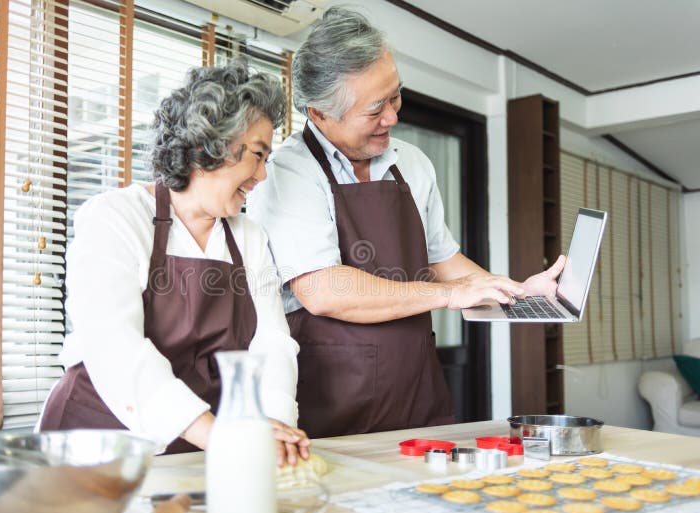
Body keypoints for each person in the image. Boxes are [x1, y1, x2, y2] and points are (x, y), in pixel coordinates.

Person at [247, 7, 565, 438]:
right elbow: (323, 290)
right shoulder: (288, 172)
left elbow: (444, 261)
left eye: (395, 97)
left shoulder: (412, 163)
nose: (393, 118)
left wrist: (519, 295)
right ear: (320, 113)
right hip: (332, 401)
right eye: (375, 108)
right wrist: (449, 295)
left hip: (417, 392)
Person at [39, 61, 310, 465]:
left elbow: (272, 343)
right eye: (257, 155)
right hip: (94, 442)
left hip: (196, 443)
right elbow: (115, 346)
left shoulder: (249, 237)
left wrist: (272, 425)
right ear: (208, 145)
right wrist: (220, 436)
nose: (263, 175)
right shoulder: (115, 217)